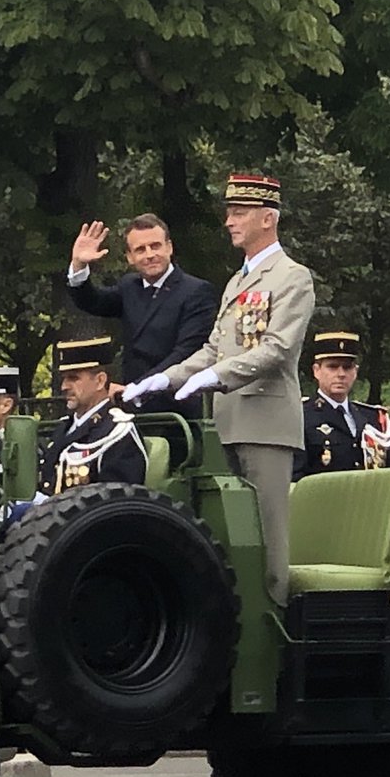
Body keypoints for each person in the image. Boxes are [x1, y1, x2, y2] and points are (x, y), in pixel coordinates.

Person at [123, 174, 315, 606]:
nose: (229, 221)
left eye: (239, 213)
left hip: (265, 424)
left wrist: (217, 376)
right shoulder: (237, 282)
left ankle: (273, 626)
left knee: (267, 539)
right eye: (229, 213)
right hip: (225, 423)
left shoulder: (291, 276)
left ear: (267, 219)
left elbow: (278, 348)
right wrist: (166, 378)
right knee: (229, 540)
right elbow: (212, 348)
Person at [66, 214, 217, 419]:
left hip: (176, 409)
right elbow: (92, 302)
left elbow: (186, 352)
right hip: (132, 408)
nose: (149, 255)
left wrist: (137, 387)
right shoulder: (129, 286)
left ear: (169, 247)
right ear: (130, 257)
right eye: (140, 249)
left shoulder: (196, 291)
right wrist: (79, 265)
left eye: (155, 246)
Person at [39, 336, 147, 497]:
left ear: (100, 381)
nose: (64, 386)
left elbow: (118, 501)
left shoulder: (116, 432)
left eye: (73, 378)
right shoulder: (64, 428)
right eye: (64, 379)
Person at [293, 332, 390, 479]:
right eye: (332, 367)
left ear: (355, 372)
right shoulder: (301, 416)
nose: (341, 374)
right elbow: (295, 477)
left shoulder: (373, 418)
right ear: (316, 371)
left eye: (347, 367)